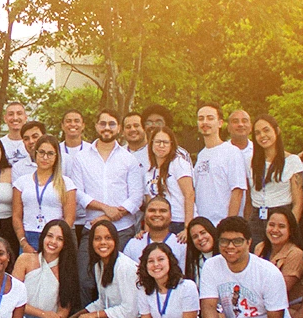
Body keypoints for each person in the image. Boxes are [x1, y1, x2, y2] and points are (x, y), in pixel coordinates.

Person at [66, 110, 144, 257]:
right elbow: (78, 193)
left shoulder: (129, 159)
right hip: (92, 227)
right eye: (103, 123)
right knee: (84, 270)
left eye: (111, 124)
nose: (107, 127)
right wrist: (105, 208)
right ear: (96, 126)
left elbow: (136, 197)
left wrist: (108, 217)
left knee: (120, 270)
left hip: (122, 230)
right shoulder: (81, 158)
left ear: (119, 128)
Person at [13, 220, 79, 318]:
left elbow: (63, 311)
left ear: (65, 244)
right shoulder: (25, 259)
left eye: (59, 239)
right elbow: (13, 299)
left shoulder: (67, 269)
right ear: (43, 237)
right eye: (50, 236)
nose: (53, 242)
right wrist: (42, 314)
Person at [13, 134, 76, 254]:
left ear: (57, 156)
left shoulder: (66, 183)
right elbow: (16, 216)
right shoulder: (21, 182)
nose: (45, 157)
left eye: (50, 153)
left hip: (55, 238)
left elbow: (70, 217)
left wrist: (58, 239)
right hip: (29, 237)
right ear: (35, 153)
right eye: (41, 152)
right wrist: (23, 242)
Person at [247, 115, 303, 247]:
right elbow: (249, 198)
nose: (262, 135)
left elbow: (298, 203)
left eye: (266, 130)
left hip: (281, 216)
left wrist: (290, 228)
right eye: (257, 133)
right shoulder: (250, 161)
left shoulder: (292, 161)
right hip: (257, 217)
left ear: (277, 131)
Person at [192, 103, 248, 225]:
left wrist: (228, 224)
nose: (205, 122)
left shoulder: (231, 152)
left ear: (220, 123)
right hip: (203, 226)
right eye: (201, 118)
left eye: (210, 118)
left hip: (223, 224)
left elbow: (237, 191)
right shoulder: (201, 155)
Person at [145, 127, 194, 236]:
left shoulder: (178, 163)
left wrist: (188, 227)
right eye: (158, 142)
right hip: (159, 223)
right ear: (151, 143)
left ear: (172, 144)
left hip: (179, 222)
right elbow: (149, 202)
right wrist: (147, 232)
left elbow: (189, 194)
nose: (161, 145)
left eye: (165, 142)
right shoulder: (150, 172)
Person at [255, 208, 303, 310]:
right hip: (259, 303)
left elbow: (280, 290)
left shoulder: (296, 254)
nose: (275, 230)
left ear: (291, 230)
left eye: (281, 226)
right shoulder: (260, 247)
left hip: (288, 308)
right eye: (271, 225)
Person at [124, 196, 187, 270]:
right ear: (145, 216)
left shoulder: (181, 245)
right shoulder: (133, 244)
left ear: (170, 216)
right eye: (152, 210)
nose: (157, 214)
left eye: (163, 211)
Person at [184, 217, 218, 284]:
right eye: (195, 237)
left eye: (203, 233)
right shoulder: (193, 265)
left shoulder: (225, 257)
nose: (200, 238)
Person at [0, 101, 29, 166]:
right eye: (11, 114)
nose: (15, 118)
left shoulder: (32, 144)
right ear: (5, 118)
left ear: (25, 118)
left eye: (19, 114)